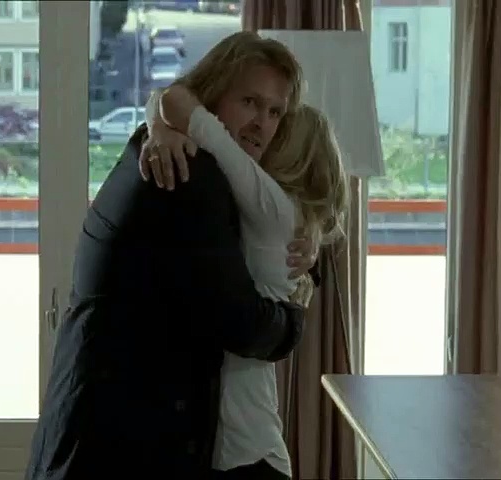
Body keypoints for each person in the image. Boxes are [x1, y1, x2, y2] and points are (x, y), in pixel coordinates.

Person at [25, 32, 318, 480]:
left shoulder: (164, 145)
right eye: (249, 102)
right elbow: (241, 322)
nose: (262, 123)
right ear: (212, 95)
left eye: (274, 111)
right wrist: (294, 316)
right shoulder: (187, 172)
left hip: (96, 427)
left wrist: (308, 244)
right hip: (119, 443)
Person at [140, 84, 348, 480]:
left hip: (247, 452)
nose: (261, 130)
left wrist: (161, 124)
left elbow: (196, 121)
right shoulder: (276, 212)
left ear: (292, 151)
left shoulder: (271, 206)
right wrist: (159, 127)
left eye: (276, 124)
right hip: (244, 443)